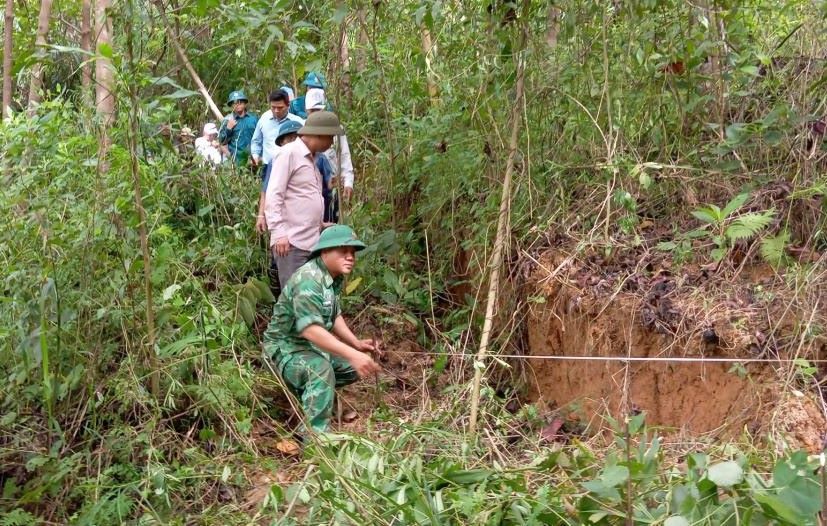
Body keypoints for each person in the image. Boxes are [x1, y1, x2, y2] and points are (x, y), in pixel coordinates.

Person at [262, 224, 381, 436]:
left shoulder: (330, 278)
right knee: (321, 368)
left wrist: (356, 344)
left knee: (352, 367)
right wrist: (352, 354)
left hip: (308, 348)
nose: (350, 257)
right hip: (285, 349)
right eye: (343, 251)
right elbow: (310, 330)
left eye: (353, 252)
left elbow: (332, 314)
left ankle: (314, 397)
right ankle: (314, 436)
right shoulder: (309, 279)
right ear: (325, 251)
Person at [264, 111, 344, 288]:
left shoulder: (311, 159)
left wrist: (320, 225)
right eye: (330, 137)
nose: (331, 143)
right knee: (296, 297)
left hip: (309, 241)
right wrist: (278, 233)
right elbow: (274, 194)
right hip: (292, 243)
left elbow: (300, 198)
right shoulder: (289, 154)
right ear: (318, 134)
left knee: (309, 297)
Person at [305, 88, 356, 204]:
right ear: (306, 111)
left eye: (319, 110)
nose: (316, 115)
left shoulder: (336, 129)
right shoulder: (301, 130)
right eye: (312, 111)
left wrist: (348, 183)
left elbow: (344, 156)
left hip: (332, 188)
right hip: (309, 192)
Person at [250, 89, 305, 173]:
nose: (276, 111)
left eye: (280, 108)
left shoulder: (298, 123)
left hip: (291, 168)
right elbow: (256, 141)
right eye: (273, 107)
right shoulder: (264, 119)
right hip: (268, 167)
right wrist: (255, 156)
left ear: (288, 105)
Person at [218, 90, 258, 166]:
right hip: (236, 161)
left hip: (254, 159)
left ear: (245, 103)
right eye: (235, 103)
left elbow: (260, 138)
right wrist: (228, 128)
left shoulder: (254, 119)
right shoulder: (227, 120)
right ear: (231, 105)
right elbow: (221, 142)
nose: (238, 104)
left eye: (240, 102)